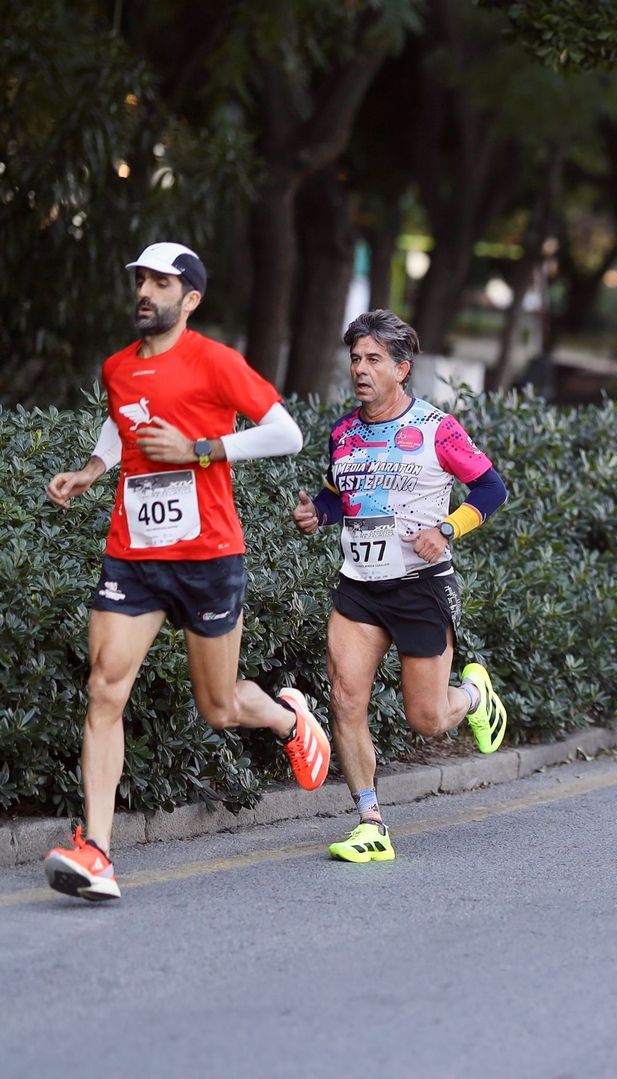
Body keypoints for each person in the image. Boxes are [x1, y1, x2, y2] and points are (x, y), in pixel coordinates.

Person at [42, 242, 328, 902]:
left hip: (208, 557)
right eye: (140, 278)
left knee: (219, 704)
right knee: (105, 687)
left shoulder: (215, 362)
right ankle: (98, 851)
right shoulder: (118, 366)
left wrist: (204, 448)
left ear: (190, 299)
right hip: (134, 555)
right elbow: (123, 423)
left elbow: (287, 433)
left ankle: (288, 717)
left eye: (160, 282)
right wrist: (90, 470)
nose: (145, 290)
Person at [294, 310, 508, 863]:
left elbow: (491, 488)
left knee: (428, 720)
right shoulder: (343, 432)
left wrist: (447, 528)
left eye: (373, 361)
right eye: (355, 360)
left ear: (402, 369)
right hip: (359, 586)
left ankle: (475, 695)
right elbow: (339, 496)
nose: (360, 371)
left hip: (418, 585)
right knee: (345, 698)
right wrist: (317, 513)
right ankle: (370, 821)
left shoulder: (438, 428)